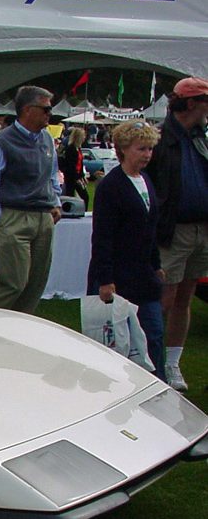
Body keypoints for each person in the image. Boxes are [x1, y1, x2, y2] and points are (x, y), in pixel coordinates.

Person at [88, 121, 165, 380]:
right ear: (123, 149)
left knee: (153, 334)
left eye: (150, 149)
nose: (147, 154)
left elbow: (150, 228)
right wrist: (105, 279)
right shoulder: (110, 187)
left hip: (144, 274)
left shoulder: (146, 181)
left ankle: (158, 384)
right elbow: (102, 236)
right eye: (141, 149)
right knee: (119, 340)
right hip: (118, 276)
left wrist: (156, 264)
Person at [0, 85, 62, 314]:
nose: (49, 114)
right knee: (12, 283)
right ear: (27, 110)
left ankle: (19, 330)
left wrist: (56, 202)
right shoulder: (3, 142)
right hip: (14, 215)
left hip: (43, 217)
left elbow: (52, 173)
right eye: (45, 109)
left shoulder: (47, 139)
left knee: (35, 285)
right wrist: (0, 218)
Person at [145, 76, 208, 392]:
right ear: (192, 103)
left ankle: (172, 363)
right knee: (165, 296)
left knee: (185, 296)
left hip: (201, 228)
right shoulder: (160, 139)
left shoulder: (201, 138)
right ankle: (150, 360)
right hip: (173, 229)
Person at [60, 127, 89, 210]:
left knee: (84, 196)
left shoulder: (78, 148)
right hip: (71, 177)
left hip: (78, 177)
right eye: (83, 136)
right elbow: (70, 165)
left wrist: (82, 176)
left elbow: (79, 163)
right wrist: (76, 176)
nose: (84, 138)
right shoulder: (71, 149)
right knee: (70, 196)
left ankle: (83, 211)